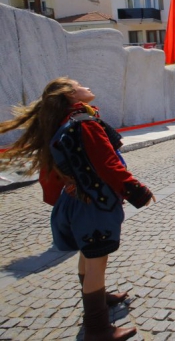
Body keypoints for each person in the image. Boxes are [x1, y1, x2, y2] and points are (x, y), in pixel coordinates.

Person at [0, 78, 154, 340]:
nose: (87, 87)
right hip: (94, 202)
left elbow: (56, 168)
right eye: (79, 84)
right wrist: (138, 191)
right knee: (97, 260)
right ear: (70, 94)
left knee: (89, 253)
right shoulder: (83, 122)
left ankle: (99, 297)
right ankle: (97, 328)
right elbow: (108, 165)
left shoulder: (65, 121)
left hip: (79, 201)